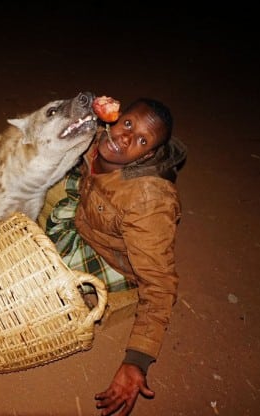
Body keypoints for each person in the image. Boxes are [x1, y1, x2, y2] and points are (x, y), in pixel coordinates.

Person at [44, 97, 187, 415]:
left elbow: (160, 286)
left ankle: (118, 293)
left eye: (141, 140)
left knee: (46, 276)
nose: (125, 138)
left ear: (147, 154)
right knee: (40, 178)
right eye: (127, 124)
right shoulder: (96, 136)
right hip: (88, 211)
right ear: (116, 116)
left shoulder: (149, 203)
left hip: (111, 256)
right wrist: (83, 107)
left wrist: (137, 360)